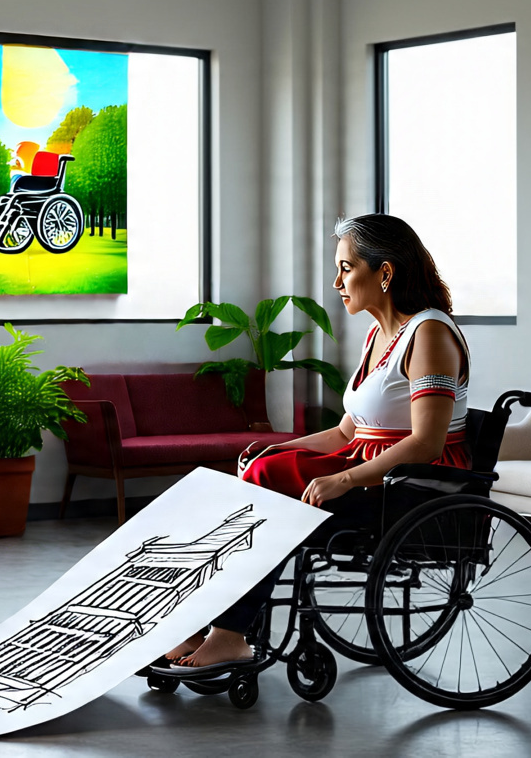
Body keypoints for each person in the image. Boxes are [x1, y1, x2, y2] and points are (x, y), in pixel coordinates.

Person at [159, 213, 471, 673]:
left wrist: (342, 478)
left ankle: (228, 635)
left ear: (384, 273)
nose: (336, 281)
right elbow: (348, 431)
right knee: (251, 473)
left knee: (263, 485)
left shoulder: (429, 335)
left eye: (346, 268)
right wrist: (280, 448)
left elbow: (427, 443)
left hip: (412, 486)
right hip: (369, 467)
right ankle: (203, 620)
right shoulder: (380, 334)